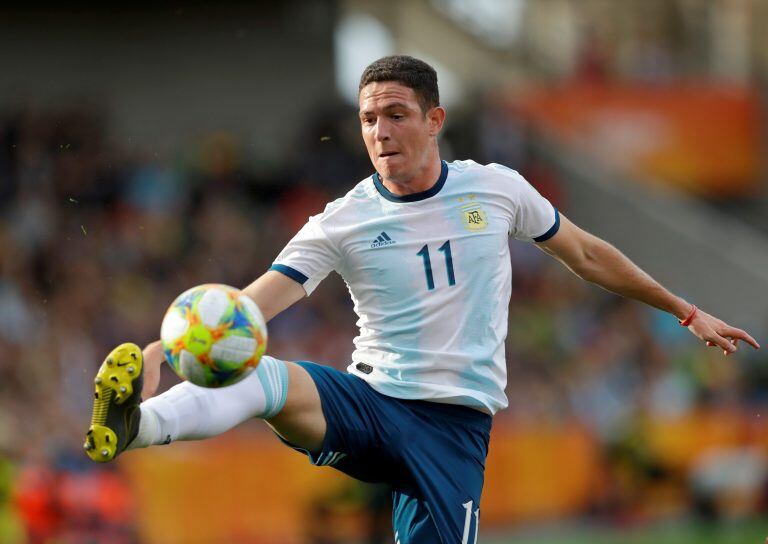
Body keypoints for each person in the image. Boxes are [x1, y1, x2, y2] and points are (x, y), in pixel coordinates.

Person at [83, 55, 760, 543]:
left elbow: (585, 255)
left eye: (396, 115)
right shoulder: (340, 220)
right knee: (261, 375)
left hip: (453, 430)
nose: (380, 132)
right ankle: (137, 427)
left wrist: (686, 309)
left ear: (434, 120)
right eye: (369, 119)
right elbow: (247, 311)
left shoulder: (497, 189)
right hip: (371, 403)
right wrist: (168, 349)